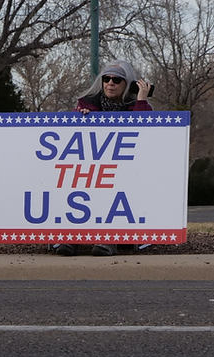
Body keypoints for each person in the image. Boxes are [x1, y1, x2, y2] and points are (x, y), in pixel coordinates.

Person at [56, 60, 152, 258]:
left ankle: (108, 239)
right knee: (79, 189)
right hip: (90, 168)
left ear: (128, 85)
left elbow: (145, 132)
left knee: (117, 192)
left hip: (124, 171)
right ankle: (71, 238)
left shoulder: (137, 106)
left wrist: (141, 99)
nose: (111, 83)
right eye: (106, 79)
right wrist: (80, 117)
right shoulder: (86, 104)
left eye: (117, 80)